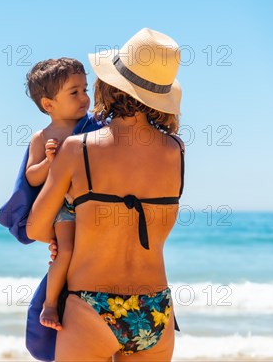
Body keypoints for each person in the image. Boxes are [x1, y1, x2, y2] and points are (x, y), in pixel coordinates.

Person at [26, 28, 185, 361]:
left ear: (110, 84)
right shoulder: (176, 151)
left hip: (92, 304)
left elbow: (35, 228)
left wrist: (66, 237)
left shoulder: (77, 149)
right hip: (154, 308)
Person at [22, 58, 91, 330]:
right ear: (48, 104)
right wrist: (49, 161)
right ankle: (50, 304)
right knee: (66, 250)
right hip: (63, 206)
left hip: (92, 203)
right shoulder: (42, 137)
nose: (84, 97)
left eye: (85, 89)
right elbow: (31, 176)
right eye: (74, 92)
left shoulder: (94, 126)